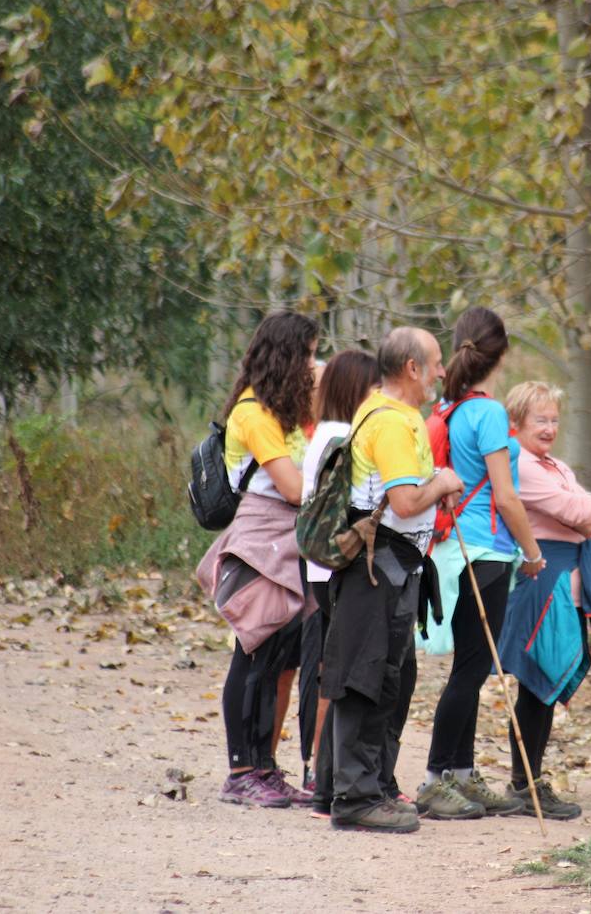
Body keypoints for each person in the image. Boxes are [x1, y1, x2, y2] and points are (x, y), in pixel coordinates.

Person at [320, 328, 464, 833]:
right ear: (412, 368)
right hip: (376, 567)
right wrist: (442, 482)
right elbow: (403, 503)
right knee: (364, 677)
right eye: (437, 363)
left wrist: (433, 484)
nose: (442, 372)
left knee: (390, 679)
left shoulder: (402, 418)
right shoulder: (391, 422)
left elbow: (405, 496)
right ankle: (354, 798)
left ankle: (376, 786)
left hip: (396, 565)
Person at [417, 307, 546, 820]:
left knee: (468, 665)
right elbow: (507, 497)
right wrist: (532, 553)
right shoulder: (489, 413)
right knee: (470, 671)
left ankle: (463, 776)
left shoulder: (447, 409)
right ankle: (432, 779)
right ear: (501, 354)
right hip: (486, 551)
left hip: (452, 548)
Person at [197, 311, 318, 809]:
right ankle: (240, 770)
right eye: (309, 353)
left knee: (275, 660)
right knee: (251, 654)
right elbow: (291, 487)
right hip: (260, 542)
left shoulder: (278, 412)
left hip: (283, 543)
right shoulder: (253, 414)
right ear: (288, 356)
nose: (314, 364)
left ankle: (264, 766)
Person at [494, 380, 591, 820]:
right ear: (517, 422)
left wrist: (584, 506)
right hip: (544, 582)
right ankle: (524, 783)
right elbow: (583, 514)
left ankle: (531, 779)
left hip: (569, 583)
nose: (549, 427)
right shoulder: (518, 464)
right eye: (540, 419)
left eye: (555, 419)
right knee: (536, 682)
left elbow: (587, 517)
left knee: (546, 684)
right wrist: (588, 504)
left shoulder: (555, 465)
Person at [296, 350, 382, 817]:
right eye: (373, 389)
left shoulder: (326, 433)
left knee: (334, 670)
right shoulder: (343, 435)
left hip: (321, 566)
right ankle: (325, 782)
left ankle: (324, 779)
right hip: (337, 567)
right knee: (341, 674)